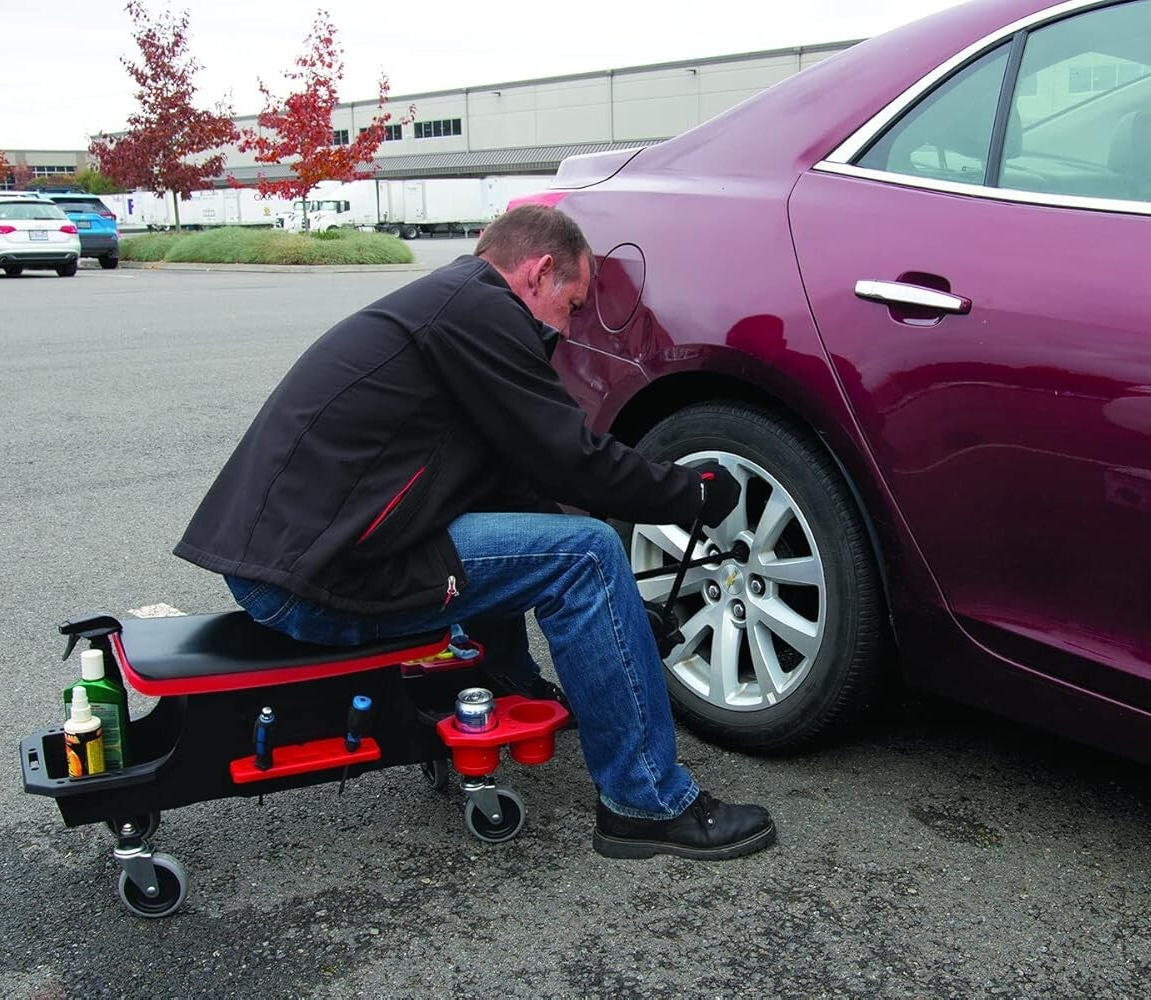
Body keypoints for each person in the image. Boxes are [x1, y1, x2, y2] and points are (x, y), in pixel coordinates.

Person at [174, 204, 776, 861]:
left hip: (300, 557)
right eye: (571, 306)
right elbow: (568, 458)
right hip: (320, 575)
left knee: (551, 548)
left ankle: (513, 685)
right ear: (538, 273)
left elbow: (512, 489)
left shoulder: (449, 305)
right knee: (592, 559)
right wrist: (690, 494)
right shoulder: (481, 310)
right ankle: (647, 800)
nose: (569, 330)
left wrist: (617, 625)